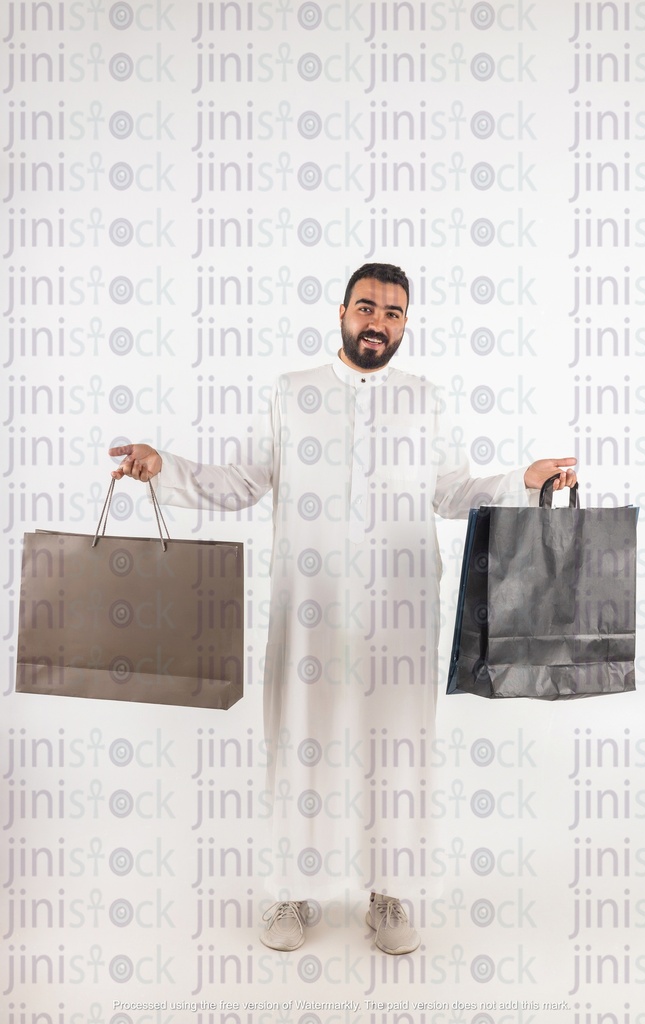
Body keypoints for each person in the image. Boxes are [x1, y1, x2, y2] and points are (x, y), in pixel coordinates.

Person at [110, 262, 577, 955]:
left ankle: (389, 892)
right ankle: (290, 894)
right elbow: (241, 483)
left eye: (392, 313)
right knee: (300, 743)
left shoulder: (422, 399)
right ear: (340, 311)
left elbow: (450, 492)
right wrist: (165, 467)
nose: (377, 322)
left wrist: (521, 479)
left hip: (400, 606)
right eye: (366, 307)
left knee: (399, 749)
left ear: (404, 323)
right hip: (310, 608)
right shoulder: (292, 393)